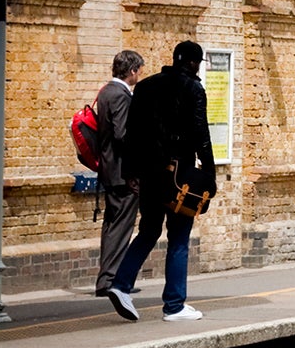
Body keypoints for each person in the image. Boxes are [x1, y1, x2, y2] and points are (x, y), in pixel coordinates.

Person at [108, 40, 216, 324]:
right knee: (179, 237)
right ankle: (174, 305)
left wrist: (131, 173)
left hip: (148, 173)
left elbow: (131, 136)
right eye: (198, 63)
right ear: (193, 63)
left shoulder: (145, 87)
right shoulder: (194, 89)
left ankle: (121, 285)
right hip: (179, 175)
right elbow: (201, 135)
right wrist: (209, 175)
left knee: (148, 230)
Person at [92, 49, 143, 299]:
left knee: (111, 225)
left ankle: (106, 278)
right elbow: (123, 134)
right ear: (132, 71)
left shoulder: (105, 92)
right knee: (121, 226)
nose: (139, 75)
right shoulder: (121, 95)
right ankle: (111, 280)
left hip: (109, 169)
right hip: (124, 172)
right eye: (139, 71)